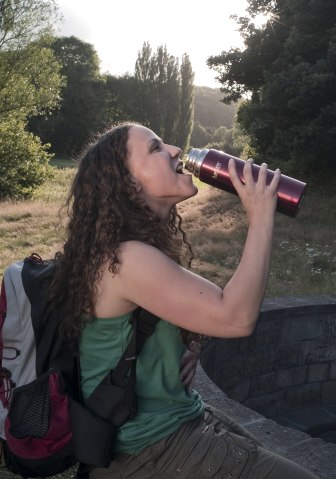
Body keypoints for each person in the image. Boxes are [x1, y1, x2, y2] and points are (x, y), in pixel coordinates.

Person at [48, 122, 318, 478]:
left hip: (175, 422)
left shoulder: (132, 249)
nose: (175, 150)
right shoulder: (127, 258)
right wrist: (260, 217)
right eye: (156, 148)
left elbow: (170, 314)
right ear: (129, 183)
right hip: (148, 449)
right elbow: (235, 318)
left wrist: (189, 343)